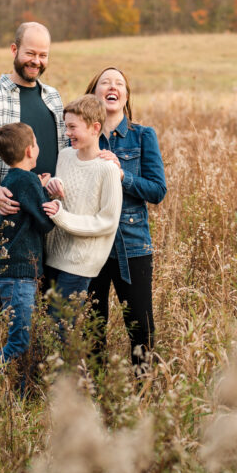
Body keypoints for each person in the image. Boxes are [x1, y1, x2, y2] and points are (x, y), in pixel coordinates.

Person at [0, 22, 66, 342]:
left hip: (48, 218)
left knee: (46, 299)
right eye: (29, 53)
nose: (36, 61)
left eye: (43, 55)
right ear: (14, 51)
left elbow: (64, 152)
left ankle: (30, 370)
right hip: (8, 225)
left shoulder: (53, 99)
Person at [83, 67, 167, 376]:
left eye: (119, 83)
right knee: (92, 329)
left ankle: (144, 395)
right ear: (94, 93)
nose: (112, 86)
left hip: (132, 246)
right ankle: (94, 400)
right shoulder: (79, 137)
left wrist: (122, 176)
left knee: (141, 330)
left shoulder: (143, 136)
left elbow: (157, 190)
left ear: (126, 96)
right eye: (105, 81)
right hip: (91, 248)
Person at [42, 95, 123, 332]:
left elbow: (107, 222)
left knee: (59, 331)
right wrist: (53, 185)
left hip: (79, 263)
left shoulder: (107, 170)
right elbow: (65, 197)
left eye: (72, 127)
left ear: (95, 127)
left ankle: (68, 371)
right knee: (46, 327)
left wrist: (61, 217)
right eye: (66, 126)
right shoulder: (65, 156)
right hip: (53, 255)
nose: (67, 133)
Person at [0, 122, 59, 373]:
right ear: (30, 150)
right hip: (20, 275)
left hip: (9, 274)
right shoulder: (28, 182)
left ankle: (16, 396)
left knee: (20, 338)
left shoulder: (11, 179)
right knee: (18, 342)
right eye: (37, 143)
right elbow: (45, 222)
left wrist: (37, 188)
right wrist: (50, 196)